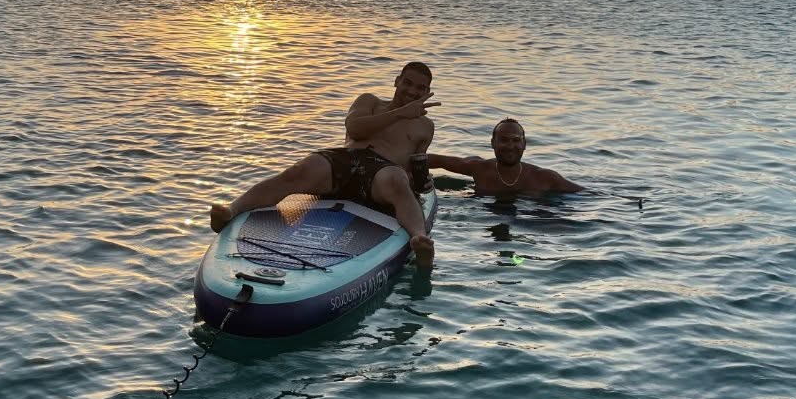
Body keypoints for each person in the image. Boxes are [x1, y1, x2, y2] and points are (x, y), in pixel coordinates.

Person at [209, 61, 439, 267]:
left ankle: (420, 240)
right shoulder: (370, 101)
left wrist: (421, 182)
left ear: (426, 92)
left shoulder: (425, 127)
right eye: (407, 83)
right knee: (297, 171)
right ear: (397, 81)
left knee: (397, 180)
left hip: (383, 172)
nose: (412, 91)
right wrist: (399, 113)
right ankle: (232, 211)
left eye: (420, 88)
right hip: (344, 159)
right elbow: (355, 129)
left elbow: (414, 166)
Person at [427, 118, 590, 196]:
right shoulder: (478, 168)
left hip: (530, 220)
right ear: (493, 143)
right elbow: (438, 160)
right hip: (487, 217)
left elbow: (586, 195)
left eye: (516, 140)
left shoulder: (545, 178)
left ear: (524, 144)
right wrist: (404, 168)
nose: (510, 146)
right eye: (504, 140)